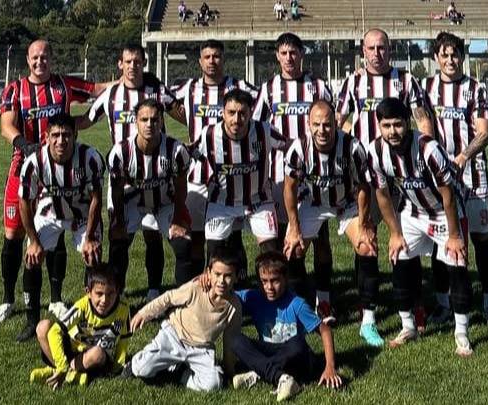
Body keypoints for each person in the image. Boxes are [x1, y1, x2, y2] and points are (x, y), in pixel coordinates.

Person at [0, 39, 110, 328]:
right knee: (14, 234)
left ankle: (56, 298)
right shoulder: (15, 89)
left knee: (57, 226)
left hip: (61, 165)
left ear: (51, 59)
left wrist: (129, 78)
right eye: (35, 57)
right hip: (25, 165)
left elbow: (98, 89)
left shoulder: (63, 85)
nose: (40, 62)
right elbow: (6, 126)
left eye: (44, 56)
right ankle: (8, 299)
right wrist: (26, 145)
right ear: (28, 60)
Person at [336, 28, 433, 346]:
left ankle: (415, 305)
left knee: (406, 242)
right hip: (365, 179)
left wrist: (425, 154)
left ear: (390, 50)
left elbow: (422, 119)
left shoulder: (406, 80)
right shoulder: (352, 83)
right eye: (371, 48)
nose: (377, 53)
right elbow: (339, 120)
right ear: (362, 51)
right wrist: (352, 146)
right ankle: (368, 318)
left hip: (401, 178)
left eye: (382, 47)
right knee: (366, 242)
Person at [77, 44, 186, 301]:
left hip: (157, 174)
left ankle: (153, 289)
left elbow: (183, 115)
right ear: (120, 64)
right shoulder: (110, 95)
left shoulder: (157, 91)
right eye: (128, 61)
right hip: (123, 176)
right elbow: (85, 120)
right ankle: (118, 292)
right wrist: (54, 126)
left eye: (137, 61)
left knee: (152, 235)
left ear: (144, 63)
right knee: (119, 238)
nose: (132, 66)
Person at [366, 98, 474, 357]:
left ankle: (461, 334)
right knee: (399, 259)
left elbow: (447, 194)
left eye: (398, 124)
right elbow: (382, 194)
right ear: (379, 126)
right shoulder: (376, 151)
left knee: (457, 266)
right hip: (412, 212)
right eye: (386, 126)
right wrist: (395, 233)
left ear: (408, 123)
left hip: (444, 212)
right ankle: (408, 327)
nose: (393, 132)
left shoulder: (428, 148)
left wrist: (454, 235)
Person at [421, 32, 488, 330]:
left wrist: (463, 156)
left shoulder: (475, 88)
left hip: (473, 174)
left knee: (481, 239)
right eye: (444, 55)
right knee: (441, 241)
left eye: (455, 54)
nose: (450, 60)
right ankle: (443, 304)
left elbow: (483, 133)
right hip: (440, 175)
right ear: (436, 58)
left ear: (462, 56)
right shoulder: (426, 88)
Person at [253, 32, 335, 318]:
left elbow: (332, 122)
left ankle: (324, 298)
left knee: (321, 238)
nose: (289, 58)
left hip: (316, 173)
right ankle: (292, 296)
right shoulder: (268, 89)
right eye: (284, 53)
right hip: (280, 175)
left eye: (294, 52)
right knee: (288, 238)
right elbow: (256, 128)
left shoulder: (318, 87)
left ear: (302, 54)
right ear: (277, 56)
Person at [283, 100, 376, 326]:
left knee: (366, 247)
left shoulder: (352, 147)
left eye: (327, 124)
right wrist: (294, 227)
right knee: (293, 249)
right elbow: (289, 189)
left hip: (346, 202)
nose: (322, 130)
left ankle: (368, 319)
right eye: (316, 125)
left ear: (335, 123)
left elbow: (364, 187)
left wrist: (364, 224)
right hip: (313, 203)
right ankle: (303, 308)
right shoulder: (298, 149)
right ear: (308, 124)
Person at [16, 113, 105, 342]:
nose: (60, 141)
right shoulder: (34, 162)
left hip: (82, 214)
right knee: (32, 258)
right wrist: (34, 241)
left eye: (66, 135)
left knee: (92, 256)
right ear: (46, 137)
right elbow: (24, 201)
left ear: (75, 135)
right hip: (50, 212)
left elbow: (96, 199)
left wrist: (90, 238)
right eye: (55, 135)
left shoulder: (90, 158)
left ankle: (92, 317)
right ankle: (32, 321)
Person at [174, 40, 257, 281]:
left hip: (232, 173)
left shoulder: (239, 86)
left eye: (217, 56)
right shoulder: (188, 88)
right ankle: (201, 284)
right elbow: (161, 98)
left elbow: (265, 101)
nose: (212, 61)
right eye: (207, 57)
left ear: (223, 59)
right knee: (197, 235)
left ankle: (238, 282)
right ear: (200, 61)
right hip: (198, 174)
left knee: (233, 235)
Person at [229, 252, 342, 401]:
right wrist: (205, 280)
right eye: (264, 281)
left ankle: (259, 373)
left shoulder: (297, 304)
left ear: (286, 278)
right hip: (269, 351)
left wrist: (330, 367)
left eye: (275, 281)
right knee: (235, 340)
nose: (269, 287)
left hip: (295, 357)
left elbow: (325, 330)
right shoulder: (254, 297)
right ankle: (278, 377)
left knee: (297, 344)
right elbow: (225, 293)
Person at [106, 99, 194, 288]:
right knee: (118, 242)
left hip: (164, 202)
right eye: (144, 119)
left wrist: (179, 218)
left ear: (162, 121)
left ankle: (180, 298)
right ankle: (116, 295)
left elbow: (181, 187)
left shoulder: (176, 150)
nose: (149, 124)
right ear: (135, 121)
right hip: (131, 203)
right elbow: (117, 191)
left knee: (183, 244)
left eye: (154, 120)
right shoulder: (120, 152)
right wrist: (119, 222)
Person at [128, 247, 242, 392]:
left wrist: (230, 371)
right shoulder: (196, 288)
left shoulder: (234, 306)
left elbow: (230, 340)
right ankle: (133, 364)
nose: (221, 281)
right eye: (217, 274)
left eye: (228, 276)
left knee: (213, 384)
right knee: (142, 369)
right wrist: (143, 313)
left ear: (236, 277)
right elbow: (168, 298)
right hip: (174, 337)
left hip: (201, 348)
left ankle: (180, 374)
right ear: (208, 273)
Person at [192, 89, 286, 260]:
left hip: (259, 201)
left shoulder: (264, 130)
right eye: (231, 113)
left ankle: (270, 278)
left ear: (251, 113)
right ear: (223, 113)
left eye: (242, 113)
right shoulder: (209, 134)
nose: (236, 119)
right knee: (214, 258)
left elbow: (291, 146)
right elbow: (189, 153)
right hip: (221, 202)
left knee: (272, 256)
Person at [30, 264, 131, 389]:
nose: (104, 300)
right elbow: (54, 331)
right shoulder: (82, 306)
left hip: (93, 356)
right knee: (43, 327)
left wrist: (117, 368)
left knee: (97, 353)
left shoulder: (123, 308)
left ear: (118, 291)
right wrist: (62, 365)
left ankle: (63, 373)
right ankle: (59, 370)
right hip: (72, 350)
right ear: (88, 292)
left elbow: (124, 339)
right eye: (99, 293)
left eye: (110, 294)